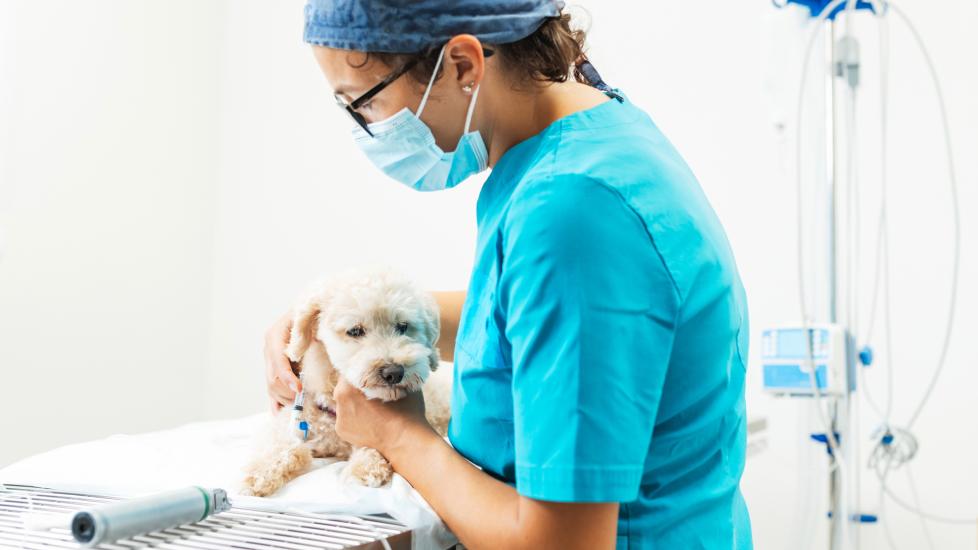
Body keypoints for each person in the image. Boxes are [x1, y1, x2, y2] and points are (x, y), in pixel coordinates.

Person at [264, 1, 753, 548]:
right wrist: (340, 319)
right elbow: (530, 318)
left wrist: (398, 435)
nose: (367, 130)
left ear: (463, 66)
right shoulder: (594, 140)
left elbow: (562, 542)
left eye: (366, 102)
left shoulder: (572, 209)